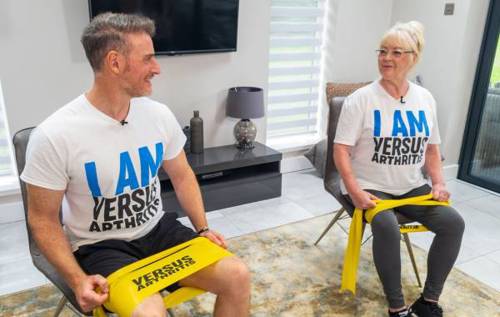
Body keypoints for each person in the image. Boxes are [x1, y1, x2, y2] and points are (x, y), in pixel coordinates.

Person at [21, 13, 250, 317]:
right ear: (115, 63)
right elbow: (42, 220)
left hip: (159, 230)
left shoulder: (158, 115)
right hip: (100, 247)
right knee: (150, 313)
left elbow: (182, 176)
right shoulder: (53, 135)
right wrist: (77, 279)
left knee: (237, 275)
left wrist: (202, 228)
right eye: (148, 59)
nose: (156, 68)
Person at [334, 21, 464, 317]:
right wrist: (355, 191)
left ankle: (428, 301)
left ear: (413, 57)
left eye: (395, 52)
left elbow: (432, 149)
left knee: (454, 224)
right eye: (382, 51)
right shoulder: (362, 99)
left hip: (411, 186)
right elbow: (340, 150)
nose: (386, 58)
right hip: (370, 185)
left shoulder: (425, 99)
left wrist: (439, 183)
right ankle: (397, 307)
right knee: (386, 226)